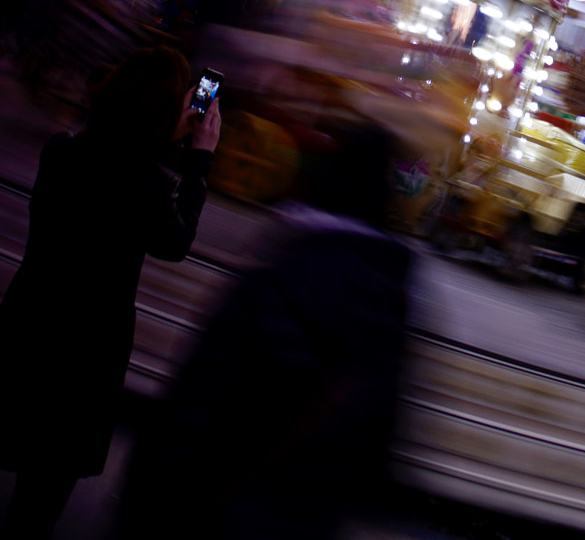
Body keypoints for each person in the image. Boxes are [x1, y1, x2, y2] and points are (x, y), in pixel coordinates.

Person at [118, 121, 411, 540]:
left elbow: (198, 394)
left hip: (222, 514)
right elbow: (377, 452)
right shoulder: (392, 303)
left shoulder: (278, 270)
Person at [0, 45, 219, 539]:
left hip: (26, 321)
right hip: (87, 353)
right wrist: (199, 160)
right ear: (165, 114)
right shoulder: (146, 186)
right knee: (40, 497)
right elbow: (175, 240)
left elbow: (113, 164)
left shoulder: (61, 151)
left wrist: (161, 144)